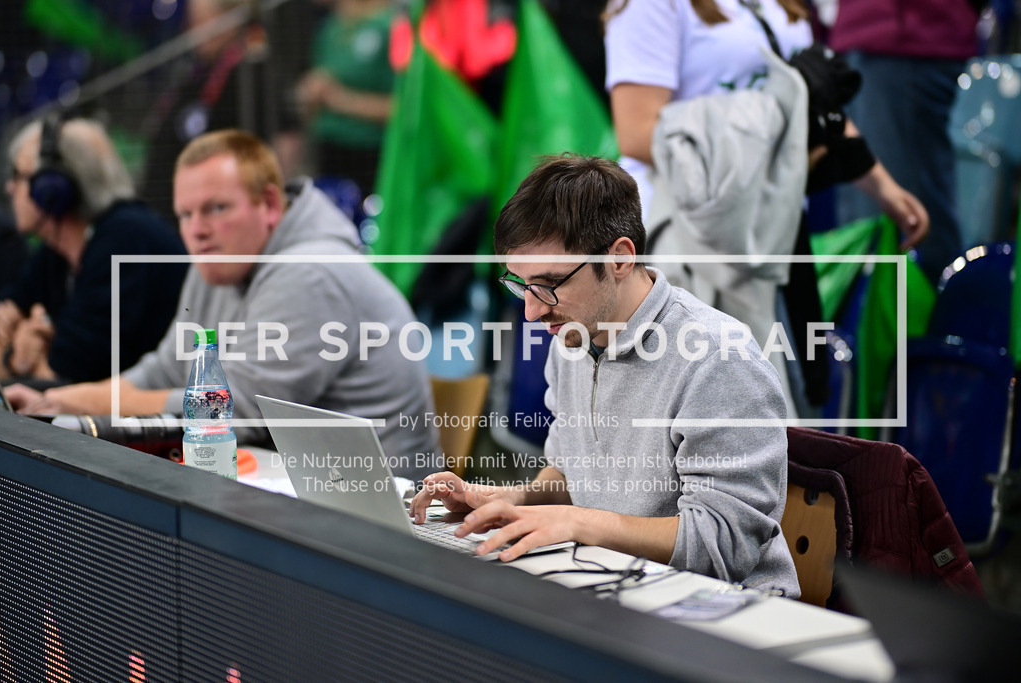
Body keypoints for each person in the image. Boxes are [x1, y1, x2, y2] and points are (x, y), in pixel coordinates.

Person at [410, 155, 800, 596]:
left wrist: (579, 522)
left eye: (548, 284)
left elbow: (724, 547)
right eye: (519, 284)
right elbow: (570, 477)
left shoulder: (719, 358)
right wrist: (511, 501)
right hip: (613, 586)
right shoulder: (573, 337)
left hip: (722, 617)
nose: (532, 311)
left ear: (619, 259)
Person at [7, 129, 439, 481]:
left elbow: (237, 409)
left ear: (269, 204)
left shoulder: (311, 272)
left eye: (216, 209)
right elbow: (166, 368)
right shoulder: (219, 260)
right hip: (297, 484)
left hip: (381, 510)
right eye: (186, 214)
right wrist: (58, 402)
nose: (197, 231)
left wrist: (90, 407)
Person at [602, 0, 930, 415]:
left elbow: (811, 108)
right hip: (687, 241)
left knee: (768, 417)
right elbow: (637, 133)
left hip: (770, 237)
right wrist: (772, 143)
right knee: (683, 417)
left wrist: (882, 185)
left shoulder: (782, 4)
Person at [0, 116, 187, 385]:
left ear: (52, 189)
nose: (10, 187)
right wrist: (20, 351)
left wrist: (13, 358)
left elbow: (64, 374)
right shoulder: (57, 252)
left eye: (19, 176)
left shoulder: (127, 239)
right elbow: (5, 317)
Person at [830, 0, 979, 284]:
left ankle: (933, 319)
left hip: (905, 39)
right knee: (870, 224)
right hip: (873, 40)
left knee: (901, 221)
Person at [141, 0, 301, 220]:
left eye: (201, 21)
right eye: (191, 20)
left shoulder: (252, 71)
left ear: (230, 20)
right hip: (170, 210)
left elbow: (287, 133)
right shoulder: (197, 69)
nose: (192, 29)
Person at [296, 0, 396, 196]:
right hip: (329, 152)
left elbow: (402, 107)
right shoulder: (329, 29)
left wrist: (341, 100)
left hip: (373, 155)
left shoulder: (389, 26)